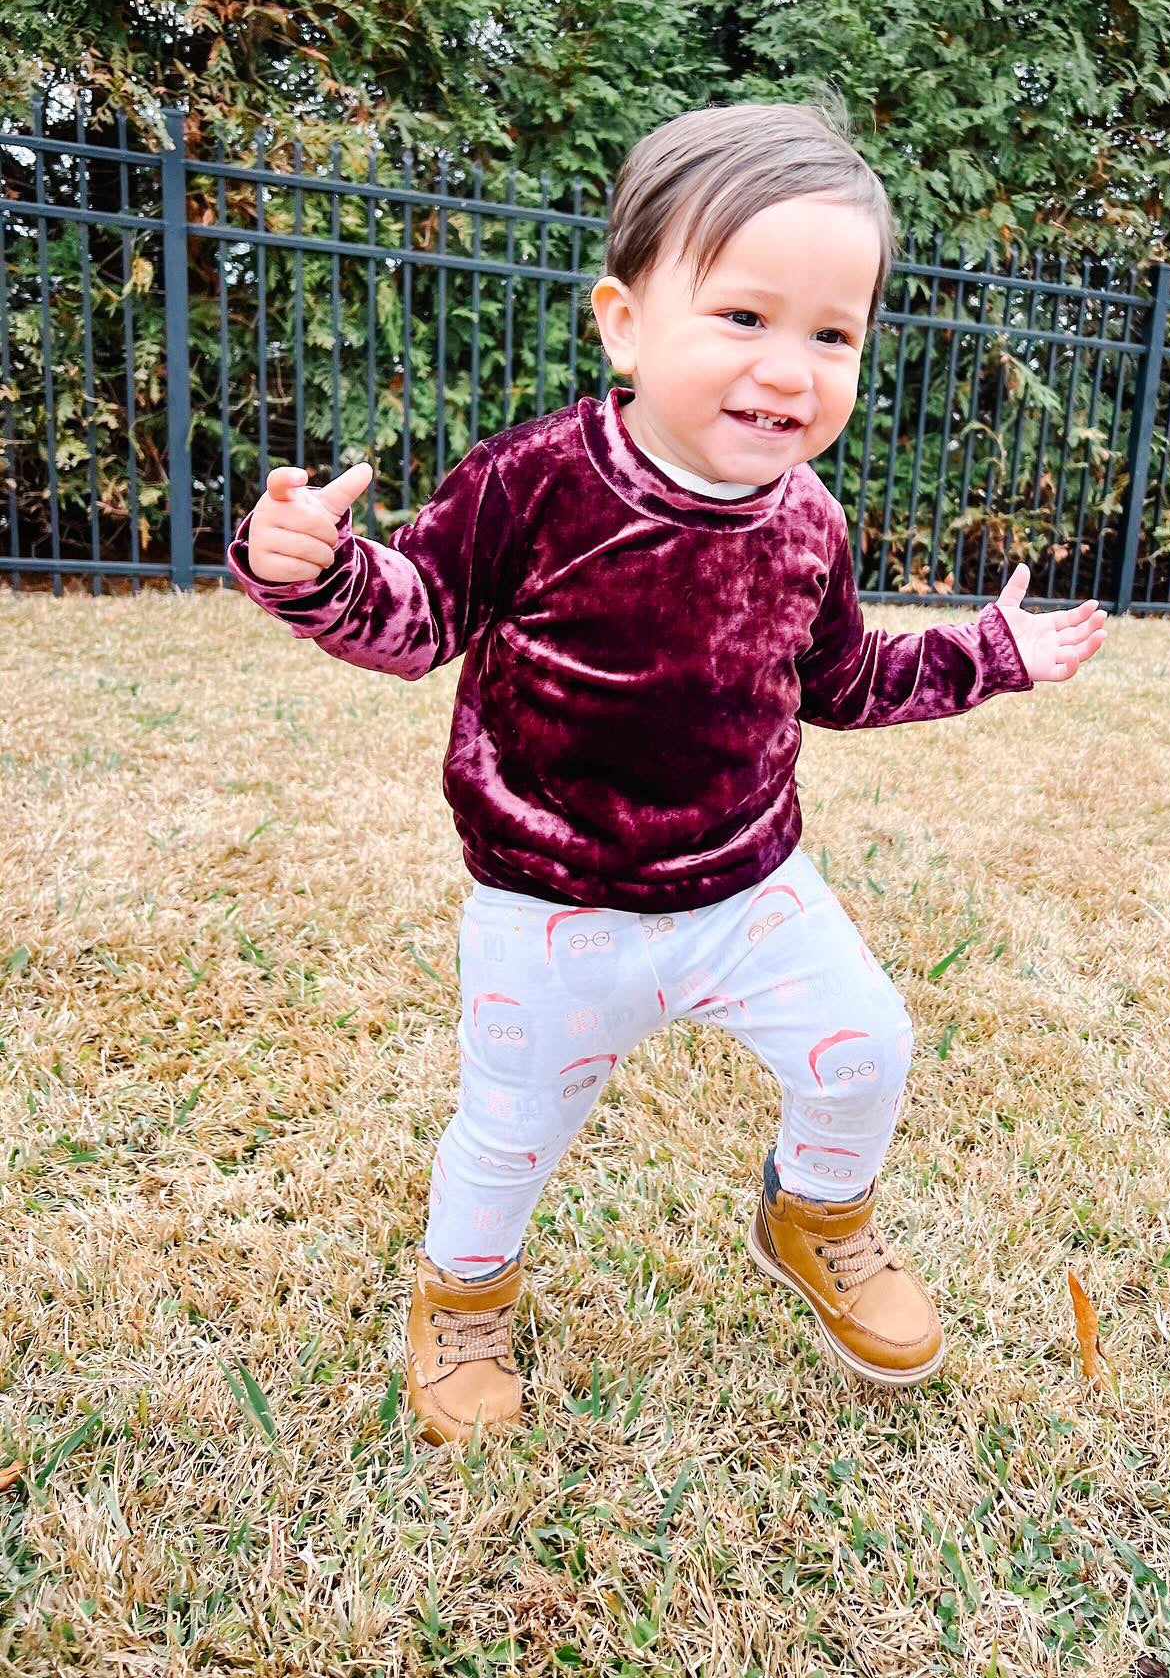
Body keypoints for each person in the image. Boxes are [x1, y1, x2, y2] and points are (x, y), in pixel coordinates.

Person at [226, 99, 1106, 1444]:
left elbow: (843, 686)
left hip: (748, 889)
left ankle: (816, 1217)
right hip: (552, 906)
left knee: (868, 1045)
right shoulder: (537, 484)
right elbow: (420, 622)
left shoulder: (812, 522)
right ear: (626, 322)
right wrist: (321, 572)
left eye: (832, 335)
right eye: (744, 319)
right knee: (508, 1136)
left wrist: (987, 654)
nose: (789, 367)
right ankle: (462, 1296)